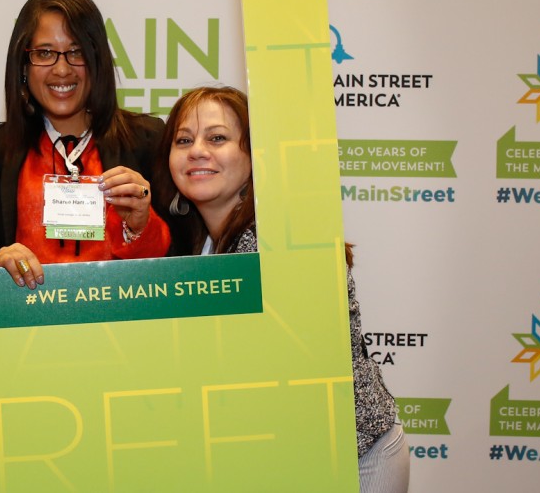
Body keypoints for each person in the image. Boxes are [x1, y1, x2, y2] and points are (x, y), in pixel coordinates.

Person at [153, 85, 410, 493]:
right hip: (286, 454)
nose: (197, 150)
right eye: (183, 139)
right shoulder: (200, 240)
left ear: (255, 154)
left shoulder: (275, 242)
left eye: (217, 138)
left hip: (351, 458)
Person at [0, 0, 170, 286]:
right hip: (28, 325)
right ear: (23, 65)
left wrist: (141, 226)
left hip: (126, 325)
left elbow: (181, 263)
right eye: (44, 53)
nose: (62, 69)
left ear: (97, 60)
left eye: (77, 51)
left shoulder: (148, 140)